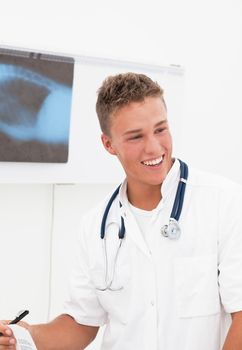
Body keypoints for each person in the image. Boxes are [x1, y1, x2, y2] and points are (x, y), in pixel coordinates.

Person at [1, 72, 242, 350]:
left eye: (160, 129)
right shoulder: (96, 226)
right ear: (108, 144)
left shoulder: (224, 202)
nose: (153, 147)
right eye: (135, 137)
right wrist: (20, 336)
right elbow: (79, 325)